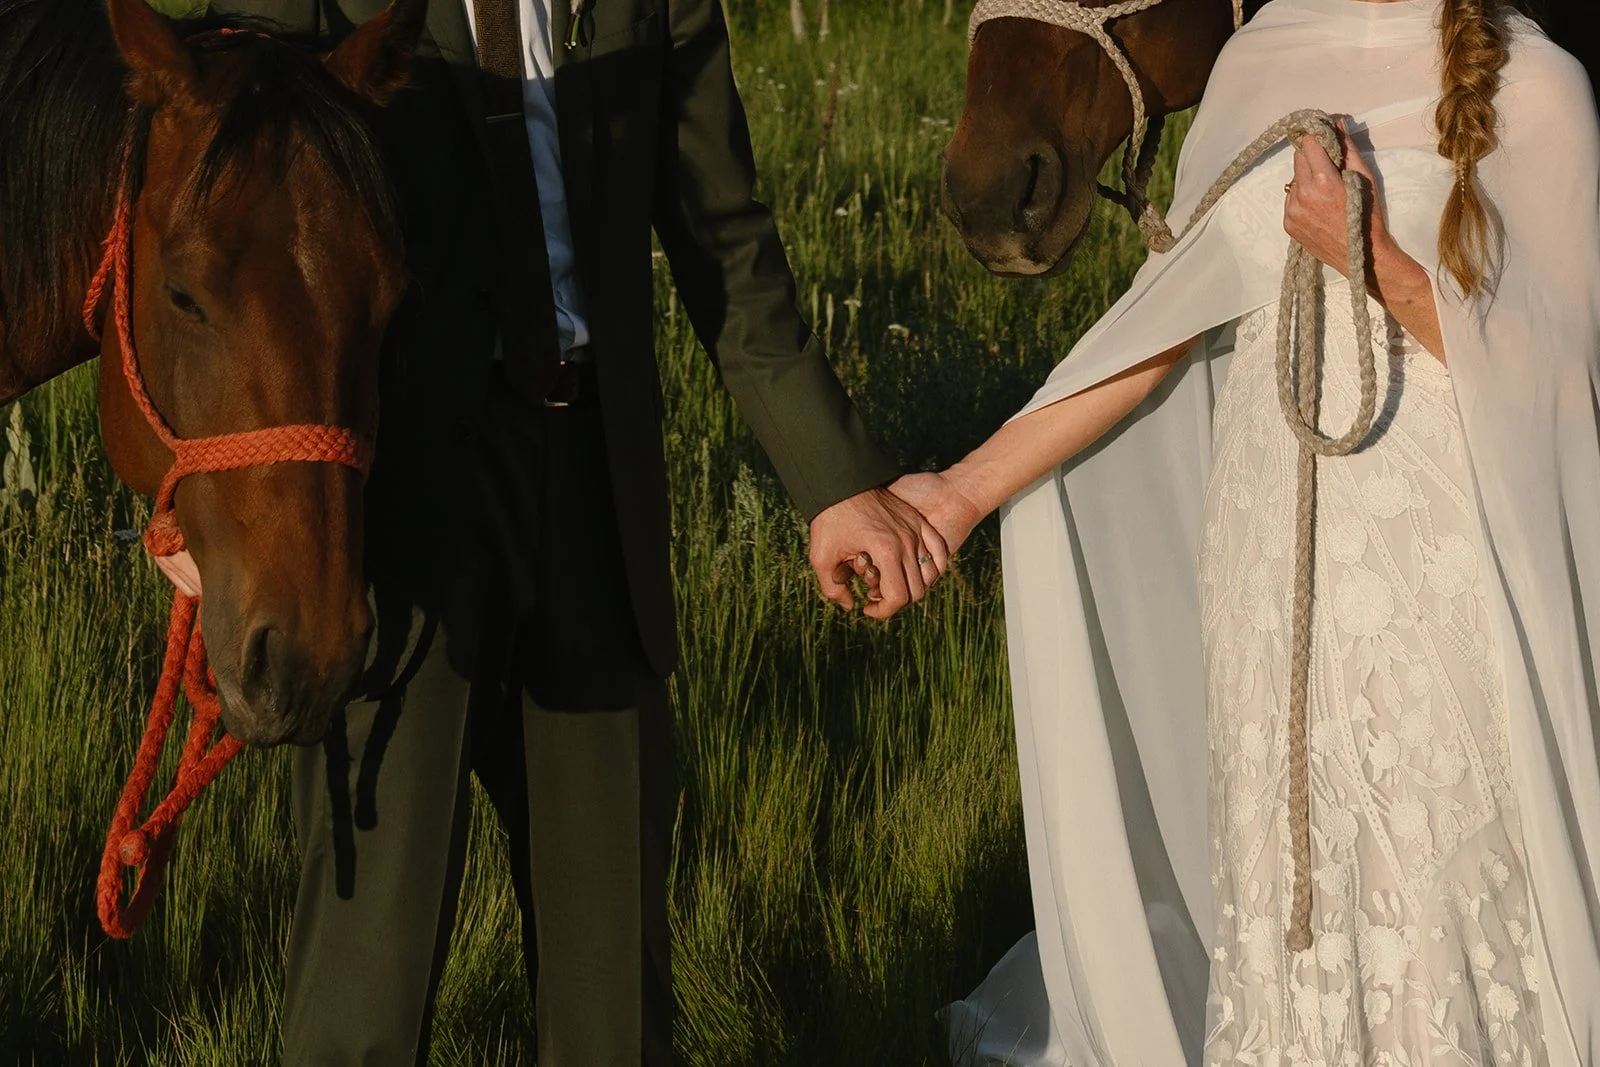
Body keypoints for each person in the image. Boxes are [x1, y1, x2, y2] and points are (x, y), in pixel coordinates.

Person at [150, 0, 946, 1062]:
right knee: (365, 985)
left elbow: (727, 239)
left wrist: (833, 479)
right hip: (388, 519)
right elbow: (204, 215)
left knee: (611, 983)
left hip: (595, 489)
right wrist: (183, 480)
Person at [883, 0, 1600, 1064]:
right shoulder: (1253, 64)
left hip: (1440, 594)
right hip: (1268, 587)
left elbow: (1563, 383)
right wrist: (952, 497)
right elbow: (1151, 334)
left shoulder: (1537, 86)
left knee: (1433, 899)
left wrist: (1379, 268)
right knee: (1282, 903)